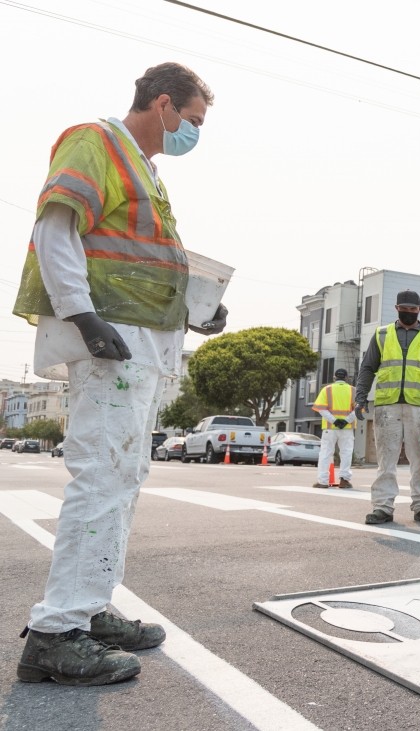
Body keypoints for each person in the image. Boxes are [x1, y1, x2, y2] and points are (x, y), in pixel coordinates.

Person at [11, 62, 224, 685]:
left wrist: (196, 309)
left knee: (122, 475)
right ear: (163, 104)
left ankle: (89, 608)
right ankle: (56, 634)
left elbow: (139, 259)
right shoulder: (95, 142)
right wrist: (81, 315)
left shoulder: (145, 170)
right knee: (103, 474)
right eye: (192, 120)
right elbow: (56, 230)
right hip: (111, 339)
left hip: (141, 344)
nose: (193, 132)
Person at [354, 290, 420, 525]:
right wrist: (361, 397)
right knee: (386, 461)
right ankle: (383, 507)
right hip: (388, 406)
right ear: (397, 308)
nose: (408, 313)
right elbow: (367, 368)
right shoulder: (382, 335)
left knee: (419, 460)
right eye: (404, 309)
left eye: (412, 310)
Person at [312, 368, 356, 489]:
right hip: (347, 428)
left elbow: (321, 409)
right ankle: (344, 480)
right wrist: (346, 421)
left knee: (326, 453)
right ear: (347, 377)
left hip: (330, 428)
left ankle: (323, 481)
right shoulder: (353, 390)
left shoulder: (327, 389)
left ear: (334, 377)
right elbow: (357, 410)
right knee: (346, 453)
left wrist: (334, 420)